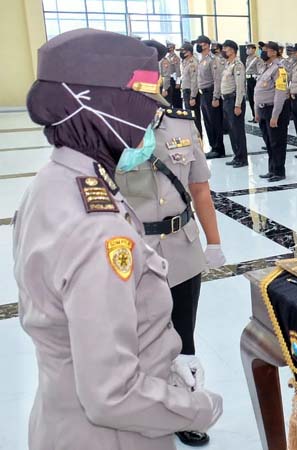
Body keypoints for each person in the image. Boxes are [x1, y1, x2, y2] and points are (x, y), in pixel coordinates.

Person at [16, 28, 223, 450]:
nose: (149, 122)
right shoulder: (98, 230)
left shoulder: (54, 182)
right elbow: (111, 395)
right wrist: (198, 408)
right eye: (142, 108)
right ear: (103, 106)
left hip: (62, 413)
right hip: (110, 438)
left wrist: (163, 365)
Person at [114, 39, 227, 447]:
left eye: (153, 69)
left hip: (181, 246)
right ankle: (138, 408)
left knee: (183, 336)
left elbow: (200, 191)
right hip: (127, 253)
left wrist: (213, 243)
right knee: (133, 337)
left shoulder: (181, 122)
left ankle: (185, 408)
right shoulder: (105, 127)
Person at [254, 41, 289, 182]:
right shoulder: (266, 67)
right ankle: (272, 169)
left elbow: (280, 93)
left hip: (274, 110)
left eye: (265, 50)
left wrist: (275, 116)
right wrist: (257, 111)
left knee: (277, 142)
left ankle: (279, 171)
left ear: (274, 52)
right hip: (263, 109)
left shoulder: (279, 69)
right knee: (268, 141)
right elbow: (258, 91)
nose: (263, 52)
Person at [194, 35, 227, 159]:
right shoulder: (202, 59)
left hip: (211, 93)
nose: (198, 46)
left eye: (200, 43)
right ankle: (213, 147)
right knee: (208, 122)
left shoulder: (213, 60)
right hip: (203, 94)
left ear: (207, 45)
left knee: (215, 122)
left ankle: (219, 149)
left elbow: (217, 79)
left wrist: (216, 97)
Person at [220, 39, 249, 168]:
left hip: (234, 101)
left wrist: (238, 104)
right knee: (232, 130)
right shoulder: (228, 64)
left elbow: (240, 86)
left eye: (225, 49)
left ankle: (242, 158)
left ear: (232, 50)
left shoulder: (238, 65)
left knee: (238, 131)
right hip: (226, 100)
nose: (223, 51)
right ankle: (237, 155)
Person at [180, 42, 203, 134]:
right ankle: (192, 136)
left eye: (183, 51)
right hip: (186, 91)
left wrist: (193, 96)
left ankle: (198, 137)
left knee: (194, 117)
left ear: (189, 52)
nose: (181, 53)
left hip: (191, 92)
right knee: (189, 115)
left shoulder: (193, 63)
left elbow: (194, 81)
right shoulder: (185, 62)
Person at [245, 43, 262, 123]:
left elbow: (259, 71)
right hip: (248, 80)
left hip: (254, 81)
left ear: (254, 49)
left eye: (249, 48)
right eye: (247, 48)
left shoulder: (257, 59)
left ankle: (258, 116)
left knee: (256, 100)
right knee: (251, 99)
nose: (247, 50)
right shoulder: (248, 58)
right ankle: (254, 116)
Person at [164, 41, 183, 107]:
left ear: (172, 48)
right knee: (169, 99)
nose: (167, 48)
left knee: (176, 99)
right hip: (167, 79)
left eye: (169, 47)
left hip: (173, 80)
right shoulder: (166, 57)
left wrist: (178, 83)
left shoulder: (175, 58)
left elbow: (178, 71)